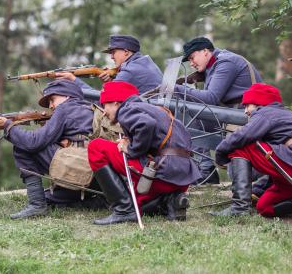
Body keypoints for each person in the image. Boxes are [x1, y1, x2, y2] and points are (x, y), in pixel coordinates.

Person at [87, 81, 201, 225]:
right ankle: (171, 200)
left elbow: (146, 125)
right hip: (181, 178)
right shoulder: (155, 109)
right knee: (140, 203)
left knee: (96, 146)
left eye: (105, 105)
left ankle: (124, 210)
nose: (103, 111)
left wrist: (131, 149)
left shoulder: (127, 109)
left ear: (116, 103)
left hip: (161, 174)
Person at [0, 79, 97, 219]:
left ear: (67, 95)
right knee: (49, 197)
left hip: (81, 167)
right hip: (96, 174)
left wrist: (8, 126)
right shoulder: (89, 107)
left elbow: (33, 143)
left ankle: (36, 206)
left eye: (52, 100)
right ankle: (94, 202)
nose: (51, 106)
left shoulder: (65, 108)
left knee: (23, 147)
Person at [175, 37, 263, 184]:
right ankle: (205, 171)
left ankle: (207, 172)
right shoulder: (216, 62)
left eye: (192, 57)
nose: (191, 63)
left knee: (236, 173)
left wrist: (178, 88)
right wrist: (198, 76)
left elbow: (211, 98)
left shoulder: (225, 62)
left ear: (205, 51)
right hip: (235, 114)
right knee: (188, 115)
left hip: (249, 116)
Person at [212, 83, 292, 217]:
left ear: (259, 102)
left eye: (247, 105)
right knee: (264, 207)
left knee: (241, 147)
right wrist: (257, 190)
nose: (245, 111)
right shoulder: (283, 113)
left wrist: (220, 153)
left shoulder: (265, 113)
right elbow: (277, 162)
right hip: (287, 168)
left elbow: (243, 135)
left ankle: (239, 209)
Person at [57, 34, 163, 94]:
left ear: (126, 52)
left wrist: (73, 80)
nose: (111, 57)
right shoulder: (144, 63)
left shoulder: (129, 70)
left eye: (113, 52)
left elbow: (102, 100)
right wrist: (110, 82)